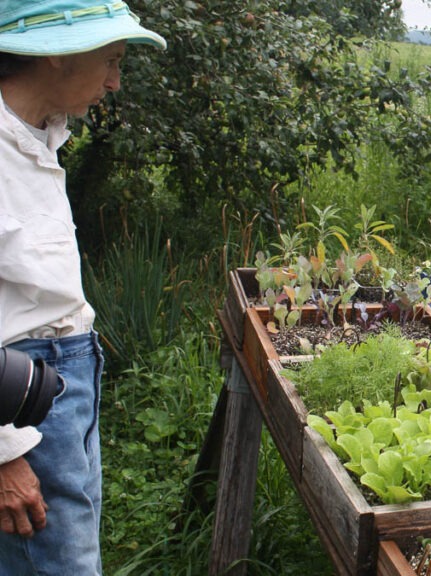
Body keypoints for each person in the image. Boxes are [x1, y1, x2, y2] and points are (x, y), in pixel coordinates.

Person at [0, 1, 165, 573]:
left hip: (59, 387)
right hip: (17, 402)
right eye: (112, 60)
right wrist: (4, 454)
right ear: (55, 55)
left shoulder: (38, 141)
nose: (116, 81)